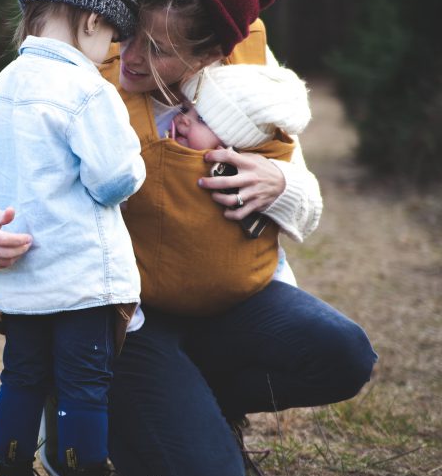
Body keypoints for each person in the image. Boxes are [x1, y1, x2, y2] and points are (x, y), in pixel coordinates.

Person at [0, 0, 377, 476]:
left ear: (211, 53)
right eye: (129, 34)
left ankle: (202, 404)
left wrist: (281, 184)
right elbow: (7, 176)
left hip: (228, 306)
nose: (131, 56)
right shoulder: (88, 79)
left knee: (344, 354)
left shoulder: (248, 90)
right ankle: (115, 412)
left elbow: (307, 198)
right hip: (126, 320)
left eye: (158, 49)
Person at [0, 0, 143, 476]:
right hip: (79, 278)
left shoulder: (2, 84)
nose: (111, 52)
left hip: (20, 281)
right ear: (93, 20)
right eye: (114, 36)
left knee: (20, 378)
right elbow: (112, 179)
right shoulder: (84, 89)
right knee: (81, 388)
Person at [131, 62, 312, 317]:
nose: (182, 120)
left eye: (201, 119)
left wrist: (283, 185)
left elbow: (306, 209)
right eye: (185, 110)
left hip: (251, 290)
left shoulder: (249, 168)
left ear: (234, 145)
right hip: (158, 298)